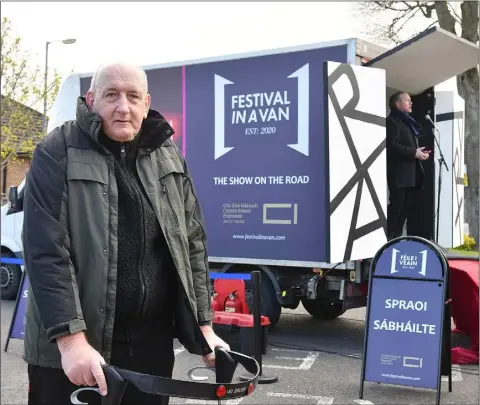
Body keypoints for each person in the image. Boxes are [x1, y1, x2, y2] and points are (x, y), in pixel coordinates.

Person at [21, 61, 229, 405]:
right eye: (111, 95)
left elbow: (190, 244)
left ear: (146, 104)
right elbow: (47, 253)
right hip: (77, 352)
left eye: (133, 96)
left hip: (150, 348)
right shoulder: (57, 151)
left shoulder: (168, 155)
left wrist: (204, 327)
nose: (123, 107)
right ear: (91, 100)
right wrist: (71, 342)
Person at [386, 91, 430, 239]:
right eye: (407, 100)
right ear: (397, 104)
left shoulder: (407, 122)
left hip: (411, 176)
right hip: (399, 176)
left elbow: (408, 147)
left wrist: (420, 153)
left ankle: (396, 240)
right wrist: (413, 152)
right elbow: (391, 146)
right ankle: (388, 241)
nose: (411, 103)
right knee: (396, 211)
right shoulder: (392, 121)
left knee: (403, 214)